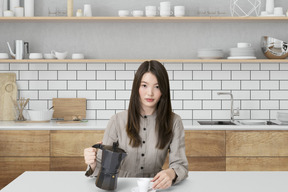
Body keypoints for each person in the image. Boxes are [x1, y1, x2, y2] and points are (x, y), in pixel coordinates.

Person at [84, 60, 188, 190]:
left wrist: (171, 173)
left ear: (164, 90)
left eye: (157, 86)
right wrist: (93, 163)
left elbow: (181, 166)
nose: (150, 93)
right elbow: (101, 168)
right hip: (120, 187)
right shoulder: (117, 121)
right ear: (136, 87)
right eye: (144, 85)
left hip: (154, 187)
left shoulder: (174, 122)